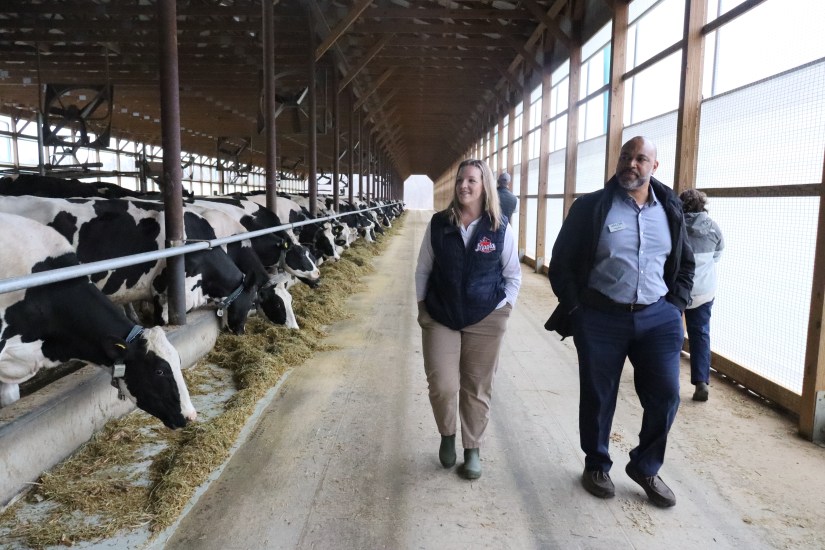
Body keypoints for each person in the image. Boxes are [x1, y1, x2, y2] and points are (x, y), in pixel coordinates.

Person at [546, 136, 694, 507]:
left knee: (666, 394)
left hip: (658, 317)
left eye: (641, 158)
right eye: (626, 156)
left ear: (654, 166)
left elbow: (685, 262)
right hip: (601, 317)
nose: (631, 163)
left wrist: (675, 306)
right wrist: (577, 309)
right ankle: (597, 464)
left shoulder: (670, 207)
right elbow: (561, 262)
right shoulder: (592, 207)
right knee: (598, 395)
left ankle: (645, 466)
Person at [415, 158, 522, 480]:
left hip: (486, 316)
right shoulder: (439, 224)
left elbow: (513, 275)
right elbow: (423, 269)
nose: (464, 185)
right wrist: (422, 308)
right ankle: (447, 435)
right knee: (443, 385)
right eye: (461, 179)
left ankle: (472, 448)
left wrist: (504, 310)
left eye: (472, 180)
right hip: (441, 314)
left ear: (484, 186)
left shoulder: (499, 227)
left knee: (477, 386)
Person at [679, 189, 724, 402]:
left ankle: (667, 376)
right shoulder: (713, 227)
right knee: (701, 334)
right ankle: (701, 382)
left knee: (670, 332)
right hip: (704, 291)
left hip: (678, 290)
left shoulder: (675, 226)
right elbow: (717, 255)